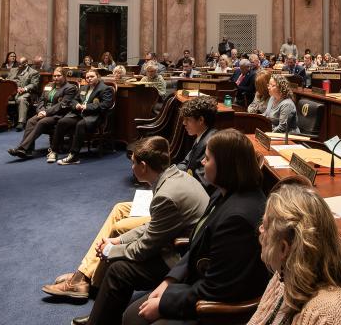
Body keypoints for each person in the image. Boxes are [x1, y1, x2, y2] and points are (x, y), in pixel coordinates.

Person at [43, 136, 210, 319]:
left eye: (133, 163)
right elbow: (153, 225)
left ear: (144, 166)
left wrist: (110, 250)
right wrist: (119, 240)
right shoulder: (173, 176)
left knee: (118, 268)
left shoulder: (166, 195)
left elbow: (143, 249)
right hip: (180, 242)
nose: (132, 168)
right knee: (118, 253)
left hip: (182, 257)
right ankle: (100, 312)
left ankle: (99, 317)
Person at [121, 130, 268, 325]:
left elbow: (217, 290)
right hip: (198, 280)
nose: (201, 163)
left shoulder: (237, 219)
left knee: (134, 319)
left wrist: (164, 305)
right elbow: (197, 244)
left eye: (207, 158)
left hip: (217, 309)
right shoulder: (224, 192)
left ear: (225, 166)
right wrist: (170, 281)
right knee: (132, 314)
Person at [248, 183, 341, 325]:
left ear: (284, 249)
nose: (260, 229)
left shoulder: (327, 317)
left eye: (266, 226)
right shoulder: (285, 277)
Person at [7, 67, 79, 159]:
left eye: (59, 76)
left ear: (64, 76)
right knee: (30, 121)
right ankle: (28, 150)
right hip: (45, 113)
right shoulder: (49, 85)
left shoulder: (70, 88)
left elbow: (62, 105)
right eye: (54, 76)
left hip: (59, 115)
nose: (56, 78)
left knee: (42, 122)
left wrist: (46, 113)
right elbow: (41, 100)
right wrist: (40, 111)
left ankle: (22, 148)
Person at [56, 69, 115, 165]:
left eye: (92, 76)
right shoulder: (84, 88)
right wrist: (76, 105)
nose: (89, 79)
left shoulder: (105, 88)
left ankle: (74, 156)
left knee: (80, 125)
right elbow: (74, 100)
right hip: (80, 114)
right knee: (62, 121)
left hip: (95, 116)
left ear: (98, 77)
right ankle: (55, 150)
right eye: (87, 77)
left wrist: (87, 106)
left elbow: (105, 104)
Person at [175, 96, 218, 189]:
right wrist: (171, 173)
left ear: (201, 120)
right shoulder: (203, 135)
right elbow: (186, 162)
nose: (184, 123)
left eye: (188, 120)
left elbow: (202, 183)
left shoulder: (210, 143)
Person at [11, 57, 42, 131]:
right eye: (18, 64)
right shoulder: (13, 70)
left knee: (22, 99)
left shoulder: (33, 72)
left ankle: (21, 123)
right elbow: (8, 80)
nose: (18, 66)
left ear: (26, 63)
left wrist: (24, 89)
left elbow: (34, 85)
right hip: (11, 92)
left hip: (27, 93)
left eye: (20, 64)